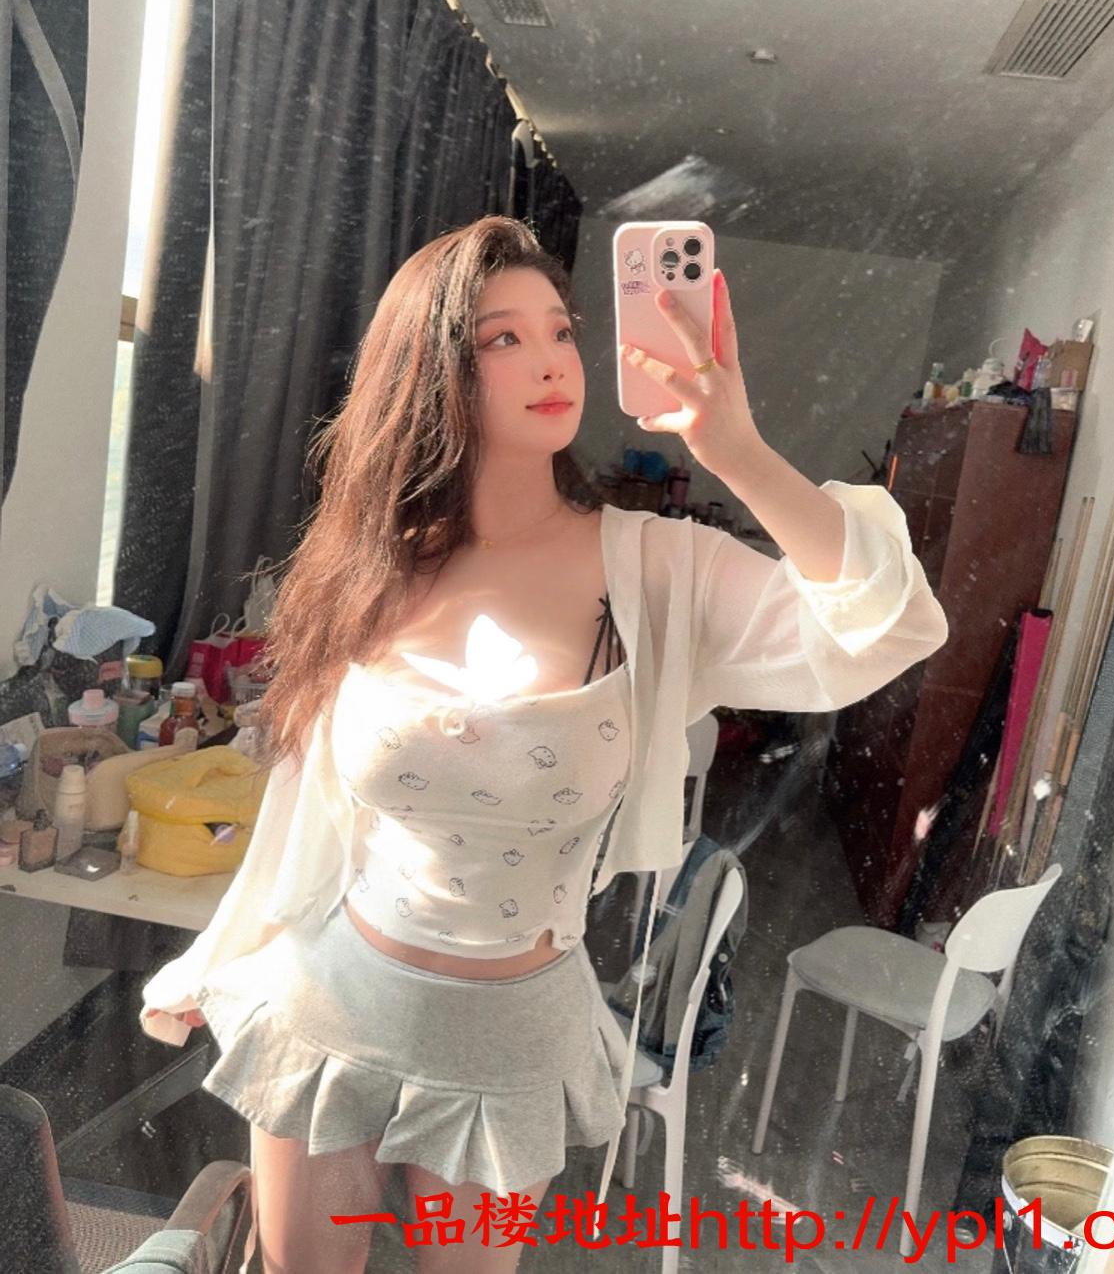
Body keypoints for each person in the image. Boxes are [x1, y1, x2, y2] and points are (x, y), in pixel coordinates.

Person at [140, 215, 948, 1274]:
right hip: (335, 997)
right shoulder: (368, 566)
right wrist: (221, 950)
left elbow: (886, 626)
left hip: (510, 1034)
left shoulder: (653, 569)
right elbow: (308, 809)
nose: (553, 359)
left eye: (561, 330)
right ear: (430, 372)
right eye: (503, 338)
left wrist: (739, 453)